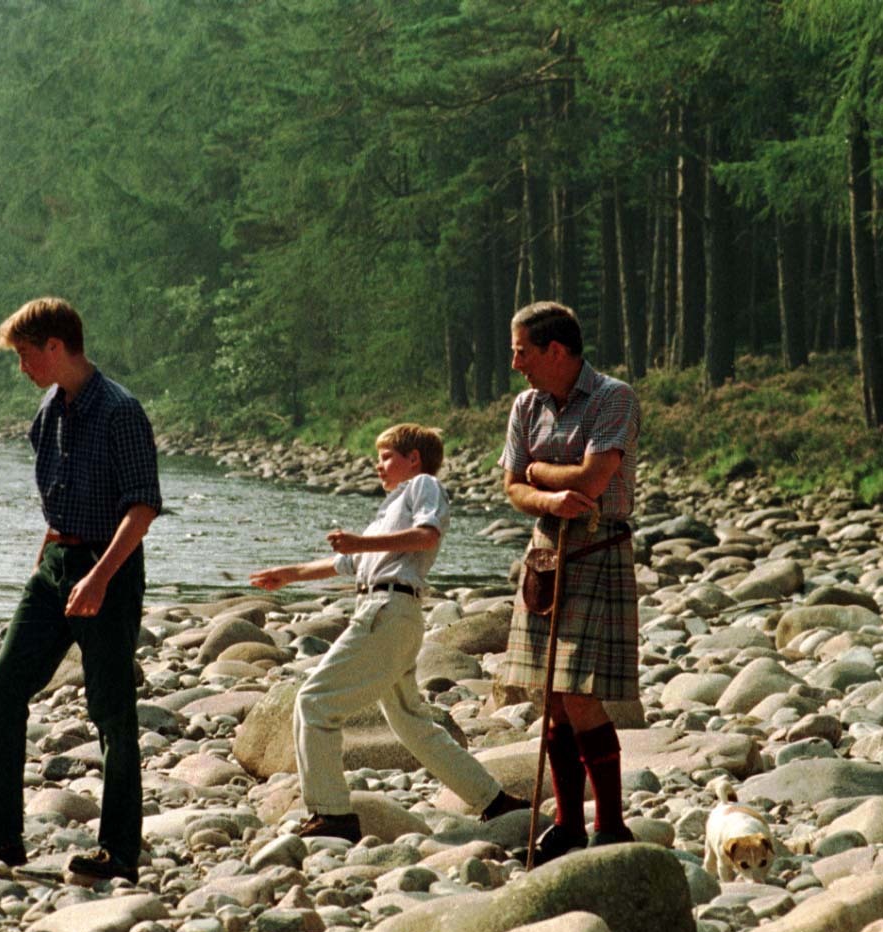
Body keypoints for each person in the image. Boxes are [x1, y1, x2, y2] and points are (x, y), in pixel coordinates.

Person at [0, 297, 162, 884]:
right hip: (54, 566)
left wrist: (98, 578)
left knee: (112, 711)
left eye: (25, 354)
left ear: (54, 347)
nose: (21, 368)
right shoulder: (50, 407)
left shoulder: (121, 411)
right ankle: (1, 840)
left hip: (108, 570)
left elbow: (142, 507)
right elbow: (58, 496)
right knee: (2, 688)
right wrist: (43, 564)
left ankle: (118, 852)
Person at [249, 424, 528, 841]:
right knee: (412, 724)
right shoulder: (390, 509)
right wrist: (287, 575)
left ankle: (331, 813)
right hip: (389, 613)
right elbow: (342, 563)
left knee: (315, 703)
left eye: (385, 457)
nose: (377, 465)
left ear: (413, 458)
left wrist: (359, 543)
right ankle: (494, 801)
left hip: (388, 611)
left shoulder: (423, 485)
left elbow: (426, 535)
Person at [499, 301, 642, 863]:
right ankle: (567, 826)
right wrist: (546, 493)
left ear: (554, 351)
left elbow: (593, 477)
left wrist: (539, 473)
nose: (516, 364)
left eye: (521, 351)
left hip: (597, 545)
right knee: (552, 695)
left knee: (579, 692)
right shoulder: (526, 405)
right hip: (545, 552)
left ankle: (611, 826)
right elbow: (511, 487)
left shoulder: (614, 397)